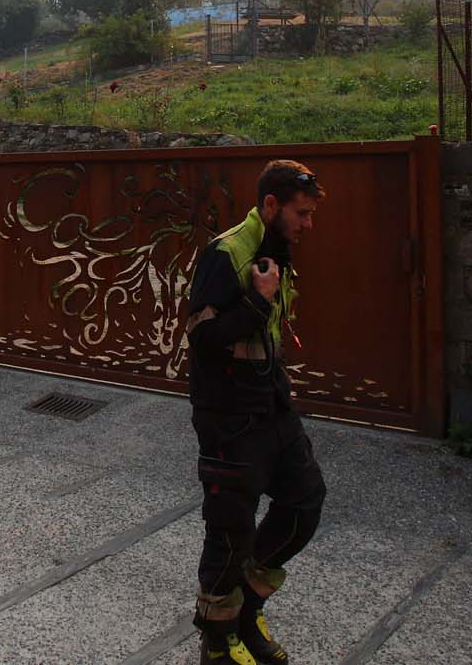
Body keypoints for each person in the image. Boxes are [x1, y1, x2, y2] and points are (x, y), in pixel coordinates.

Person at [186, 160, 327, 665]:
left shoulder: (276, 251)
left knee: (305, 502)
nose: (308, 224)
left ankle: (247, 606)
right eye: (301, 214)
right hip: (228, 415)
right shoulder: (225, 254)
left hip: (273, 406)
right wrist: (257, 303)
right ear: (271, 206)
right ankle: (218, 642)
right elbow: (201, 339)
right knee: (230, 530)